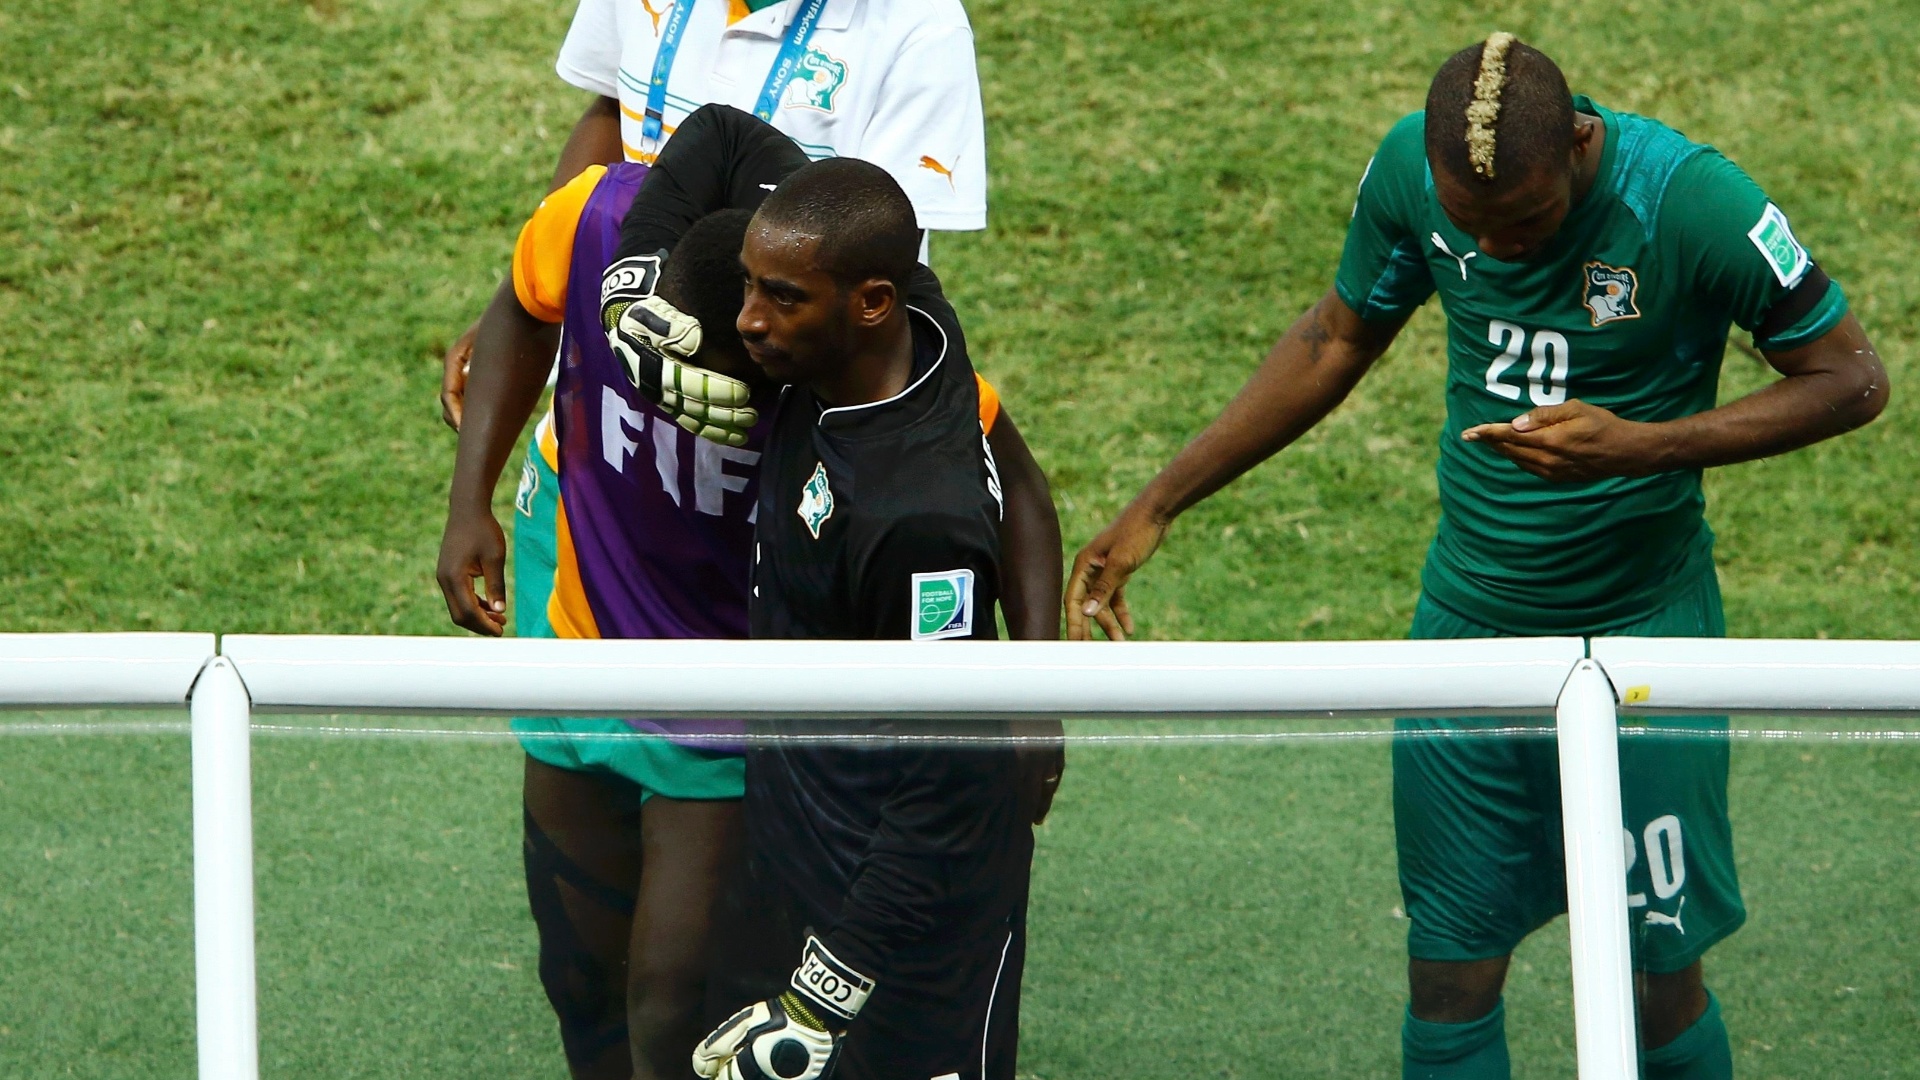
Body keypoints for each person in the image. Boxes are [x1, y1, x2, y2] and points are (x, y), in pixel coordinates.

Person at [1064, 33, 1886, 1080]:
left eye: (1528, 223)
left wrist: (1640, 447)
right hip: (1468, 634)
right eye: (1471, 226)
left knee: (1656, 982)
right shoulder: (1409, 169)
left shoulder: (1691, 203)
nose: (1495, 250)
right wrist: (1158, 504)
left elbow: (1852, 379)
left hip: (1642, 636)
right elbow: (1336, 335)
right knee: (1449, 975)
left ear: (1579, 143)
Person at [436, 105, 1057, 1080]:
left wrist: (1033, 691)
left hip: (737, 707)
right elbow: (711, 142)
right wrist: (470, 497)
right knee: (580, 972)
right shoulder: (607, 224)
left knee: (672, 1002)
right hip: (586, 633)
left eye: (741, 374)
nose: (756, 331)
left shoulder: (860, 388)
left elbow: (1014, 492)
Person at [665, 144, 1035, 1080]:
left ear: (870, 303)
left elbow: (946, 785)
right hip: (788, 852)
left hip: (905, 932)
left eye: (782, 297)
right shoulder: (915, 317)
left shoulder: (920, 522)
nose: (747, 320)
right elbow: (725, 135)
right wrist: (628, 296)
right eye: (749, 284)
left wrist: (821, 996)